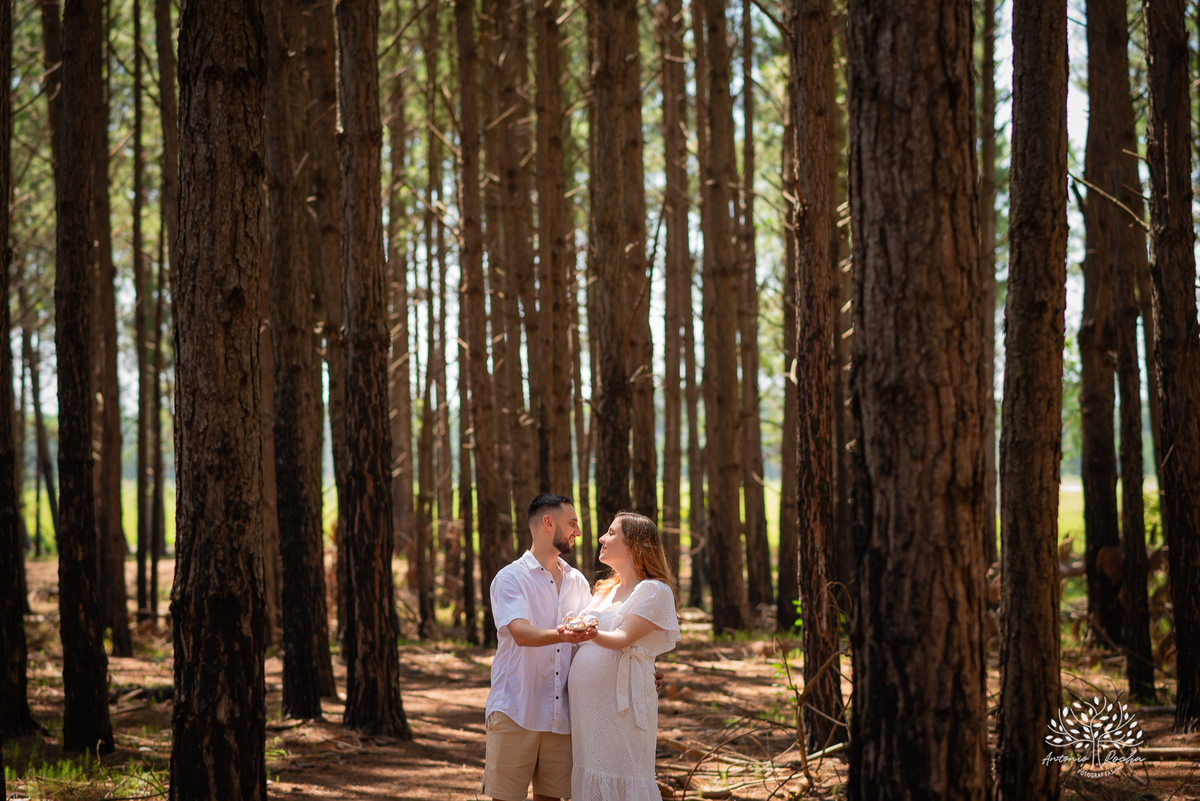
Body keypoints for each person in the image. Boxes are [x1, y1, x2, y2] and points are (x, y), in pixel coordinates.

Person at [482, 494, 596, 801]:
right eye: (572, 523)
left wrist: (640, 671)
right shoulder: (510, 578)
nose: (578, 532)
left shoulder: (578, 581)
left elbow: (593, 643)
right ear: (548, 523)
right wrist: (561, 635)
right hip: (515, 709)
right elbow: (519, 632)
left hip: (562, 716)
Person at [566, 512, 680, 801]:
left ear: (632, 545)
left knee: (623, 775)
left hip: (623, 708)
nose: (602, 539)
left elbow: (623, 638)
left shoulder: (654, 590)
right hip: (588, 711)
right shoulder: (606, 590)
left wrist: (588, 632)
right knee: (593, 773)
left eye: (611, 533)